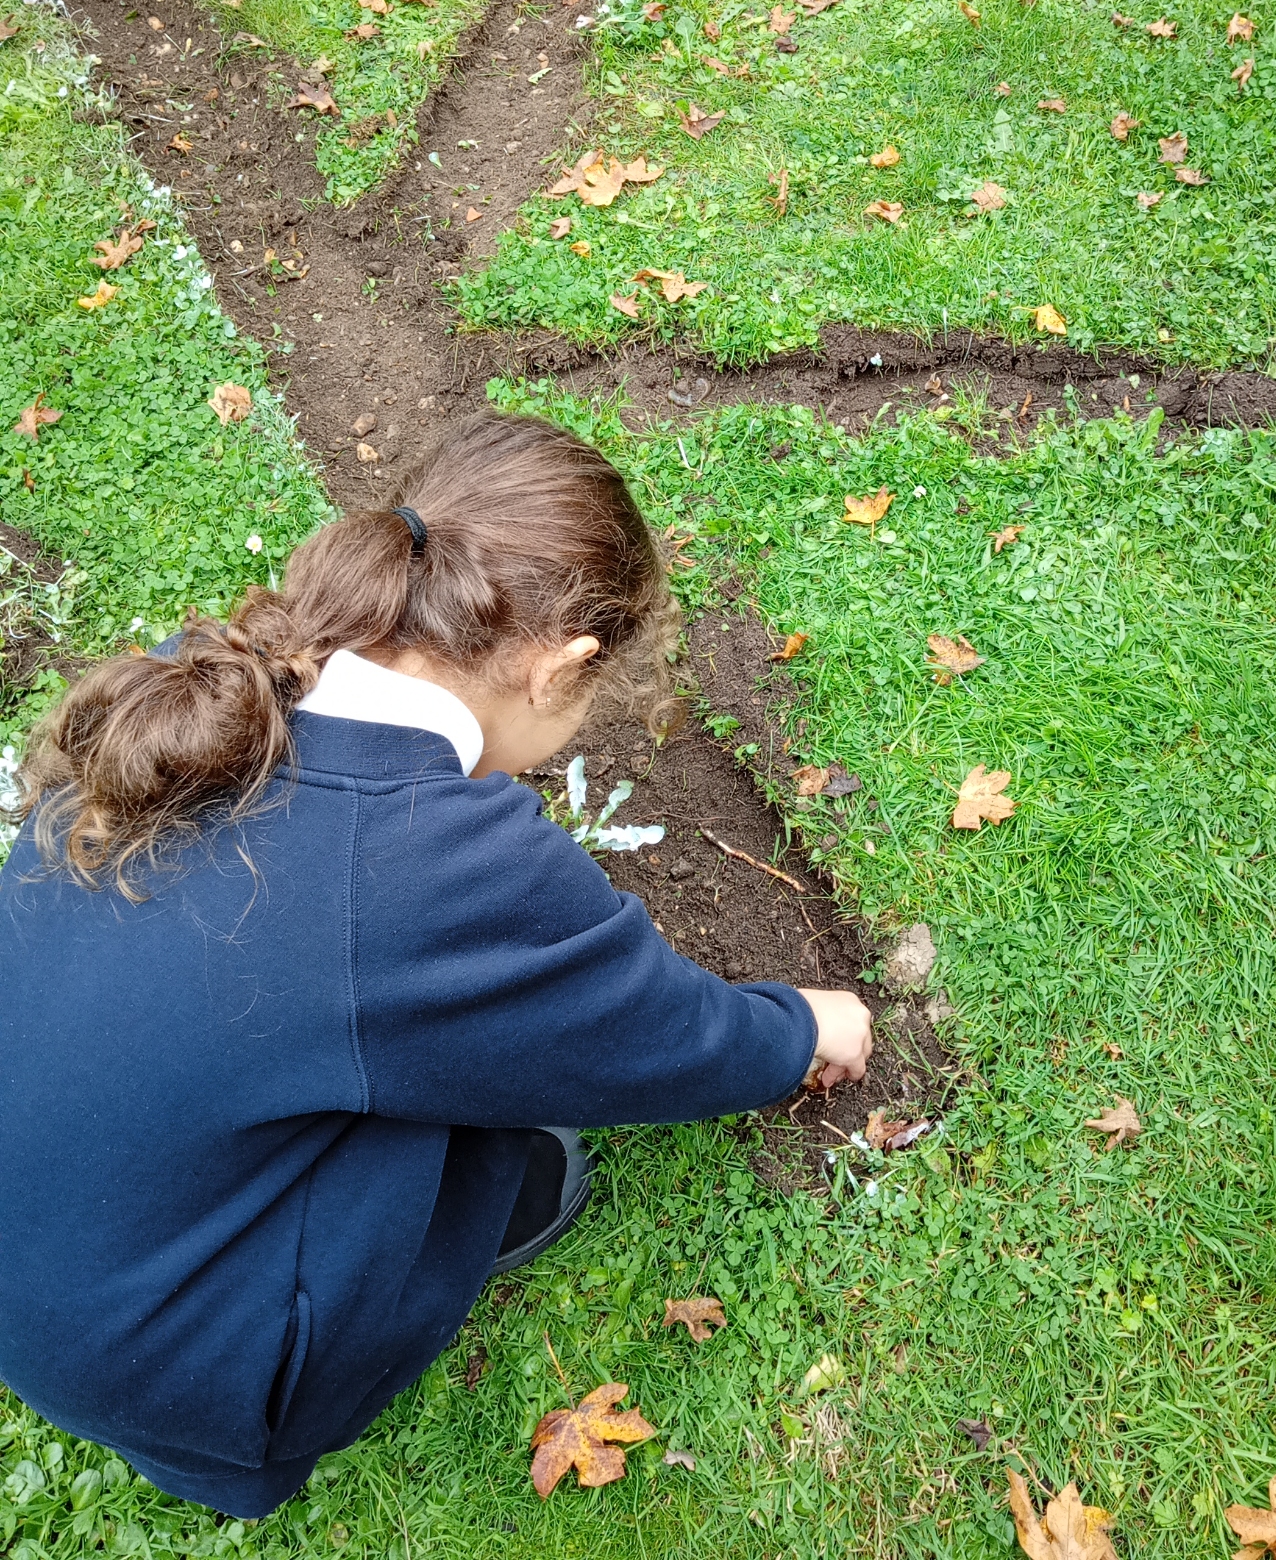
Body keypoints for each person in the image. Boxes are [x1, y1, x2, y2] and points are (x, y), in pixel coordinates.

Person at [0, 410, 872, 1519]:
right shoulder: (441, 864)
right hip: (185, 1369)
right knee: (490, 1069)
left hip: (52, 1272)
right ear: (566, 663)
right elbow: (648, 1035)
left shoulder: (205, 686)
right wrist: (806, 1026)